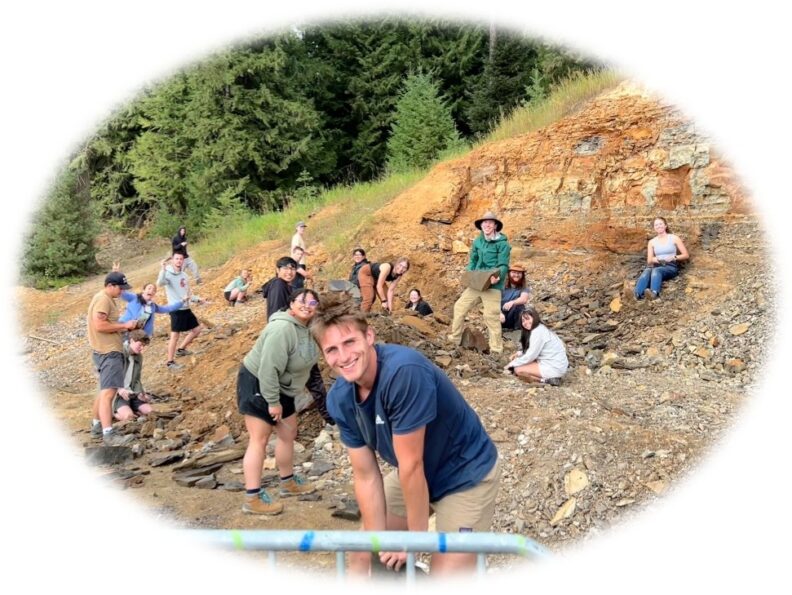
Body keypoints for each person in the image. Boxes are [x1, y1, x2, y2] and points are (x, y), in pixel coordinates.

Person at [312, 295, 500, 576]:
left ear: (369, 336)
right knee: (362, 552)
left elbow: (412, 465)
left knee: (446, 581)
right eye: (332, 350)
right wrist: (378, 544)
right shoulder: (340, 399)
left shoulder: (403, 373)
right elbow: (365, 475)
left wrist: (413, 542)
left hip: (464, 474)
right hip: (413, 473)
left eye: (350, 342)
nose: (344, 357)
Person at [237, 289, 321, 515]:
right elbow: (268, 369)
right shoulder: (282, 329)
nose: (307, 305)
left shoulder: (309, 329)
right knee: (260, 439)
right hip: (258, 381)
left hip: (282, 386)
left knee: (288, 433)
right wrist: (273, 402)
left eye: (312, 301)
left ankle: (287, 482)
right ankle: (252, 498)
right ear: (291, 304)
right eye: (301, 301)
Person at [87, 270, 138, 445]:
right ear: (110, 286)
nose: (122, 292)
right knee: (109, 393)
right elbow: (99, 325)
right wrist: (124, 325)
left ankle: (96, 426)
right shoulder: (103, 299)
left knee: (104, 391)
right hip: (108, 351)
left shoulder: (105, 298)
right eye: (120, 288)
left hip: (103, 350)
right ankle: (108, 434)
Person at [448, 211, 511, 354]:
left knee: (491, 316)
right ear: (481, 225)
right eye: (484, 222)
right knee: (459, 306)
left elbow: (503, 265)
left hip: (493, 285)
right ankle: (455, 338)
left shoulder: (503, 245)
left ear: (495, 225)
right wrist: (469, 273)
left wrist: (497, 276)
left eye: (490, 222)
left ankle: (496, 349)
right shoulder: (477, 241)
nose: (487, 224)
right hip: (477, 282)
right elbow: (473, 260)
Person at [157, 253, 203, 371]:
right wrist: (162, 269)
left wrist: (198, 299)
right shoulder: (167, 274)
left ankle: (181, 349)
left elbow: (188, 293)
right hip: (176, 308)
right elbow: (160, 283)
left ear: (183, 261)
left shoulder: (184, 275)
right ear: (172, 260)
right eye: (176, 259)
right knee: (175, 335)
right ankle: (170, 362)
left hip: (186, 307)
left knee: (197, 329)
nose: (179, 261)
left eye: (181, 259)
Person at [504, 307, 568, 386]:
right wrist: (519, 353)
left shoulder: (538, 332)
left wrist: (511, 365)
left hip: (554, 367)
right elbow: (535, 349)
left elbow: (530, 356)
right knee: (519, 361)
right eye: (523, 321)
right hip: (557, 364)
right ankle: (548, 377)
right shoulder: (540, 328)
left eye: (528, 319)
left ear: (534, 317)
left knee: (518, 369)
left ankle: (545, 380)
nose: (525, 323)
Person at [633, 216, 689, 300]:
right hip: (657, 264)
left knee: (656, 270)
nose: (658, 226)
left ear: (665, 225)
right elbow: (649, 260)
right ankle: (636, 294)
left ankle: (653, 293)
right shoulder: (652, 242)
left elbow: (686, 255)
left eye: (660, 224)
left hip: (670, 266)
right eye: (656, 225)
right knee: (647, 270)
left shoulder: (674, 238)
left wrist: (674, 257)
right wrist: (656, 259)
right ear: (654, 228)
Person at [112, 330, 154, 422]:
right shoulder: (118, 353)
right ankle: (111, 413)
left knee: (151, 413)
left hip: (132, 393)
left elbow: (137, 378)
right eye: (140, 345)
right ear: (131, 340)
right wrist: (119, 389)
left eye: (144, 346)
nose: (142, 348)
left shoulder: (139, 357)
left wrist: (141, 392)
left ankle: (134, 410)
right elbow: (108, 375)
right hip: (119, 394)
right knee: (129, 417)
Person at [261, 256, 298, 320]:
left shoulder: (284, 284)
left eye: (292, 269)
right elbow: (276, 311)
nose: (289, 272)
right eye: (285, 268)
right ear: (278, 270)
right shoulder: (278, 284)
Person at [500, 264, 531, 330]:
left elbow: (524, 299)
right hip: (500, 317)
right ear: (509, 273)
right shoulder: (501, 286)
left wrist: (512, 302)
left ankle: (518, 330)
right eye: (514, 272)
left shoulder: (524, 288)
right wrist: (499, 313)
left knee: (520, 306)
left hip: (513, 317)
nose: (516, 275)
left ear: (522, 275)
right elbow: (493, 302)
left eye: (519, 273)